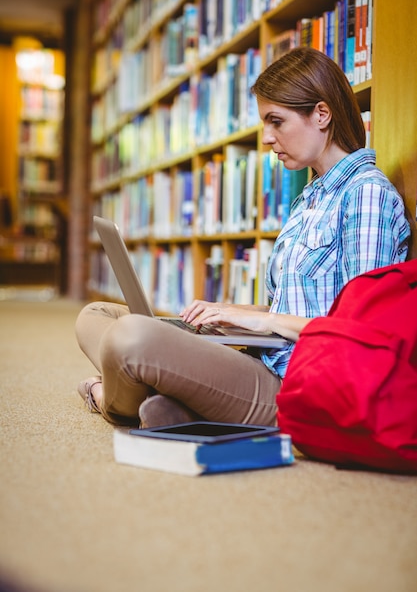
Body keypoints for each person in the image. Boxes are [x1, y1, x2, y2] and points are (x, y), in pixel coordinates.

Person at [75, 47, 410, 428]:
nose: (266, 137)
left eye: (276, 121)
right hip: (262, 356)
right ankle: (165, 403)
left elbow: (359, 334)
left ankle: (111, 399)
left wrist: (257, 322)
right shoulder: (312, 196)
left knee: (131, 337)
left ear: (321, 114)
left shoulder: (366, 195)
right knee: (97, 315)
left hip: (299, 384)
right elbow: (290, 307)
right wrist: (226, 314)